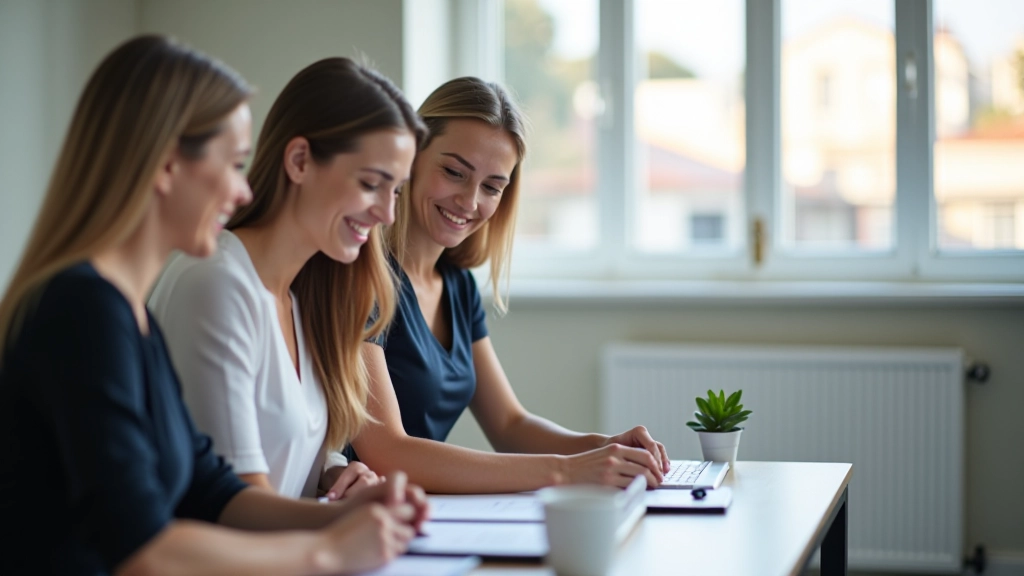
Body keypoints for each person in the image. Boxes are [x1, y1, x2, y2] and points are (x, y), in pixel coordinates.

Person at [0, 35, 425, 575]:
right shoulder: (82, 311)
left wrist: (344, 516)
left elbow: (213, 490)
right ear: (166, 166)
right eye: (233, 164)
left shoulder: (129, 315)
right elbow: (142, 549)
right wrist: (330, 551)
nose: (243, 192)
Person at [348, 77, 672, 494]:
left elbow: (509, 425)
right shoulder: (363, 276)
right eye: (454, 172)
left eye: (491, 187)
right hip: (355, 511)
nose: (470, 201)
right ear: (410, 156)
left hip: (418, 510)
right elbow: (387, 451)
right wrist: (567, 471)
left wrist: (605, 447)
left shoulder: (458, 287)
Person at [148, 57, 424, 501]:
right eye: (372, 183)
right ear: (299, 161)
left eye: (396, 190)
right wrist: (348, 518)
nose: (388, 213)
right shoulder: (216, 285)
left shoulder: (303, 296)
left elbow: (282, 442)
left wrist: (333, 472)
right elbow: (232, 498)